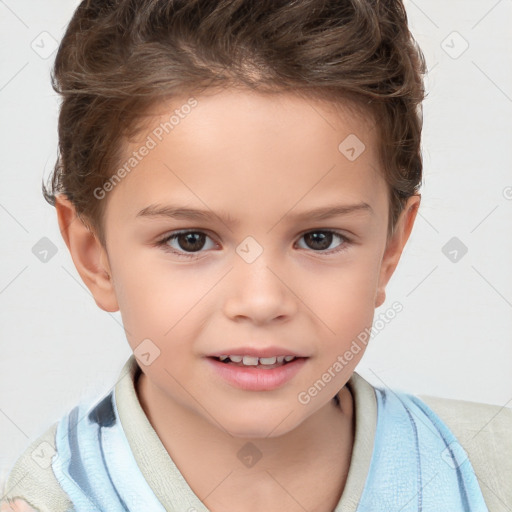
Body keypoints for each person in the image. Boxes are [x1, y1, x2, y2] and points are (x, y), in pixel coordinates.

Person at [1, 0, 510, 511]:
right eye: (191, 240)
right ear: (95, 257)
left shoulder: (492, 471)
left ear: (389, 249)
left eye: (319, 239)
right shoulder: (49, 500)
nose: (262, 301)